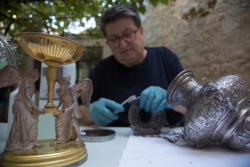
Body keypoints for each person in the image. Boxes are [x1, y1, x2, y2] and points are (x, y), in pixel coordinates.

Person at [77, 3, 187, 127]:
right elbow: (74, 114)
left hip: (168, 140)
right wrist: (91, 111)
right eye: (114, 39)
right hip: (116, 143)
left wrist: (170, 99)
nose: (123, 45)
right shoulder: (102, 70)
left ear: (141, 31)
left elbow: (192, 104)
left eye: (128, 34)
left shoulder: (165, 58)